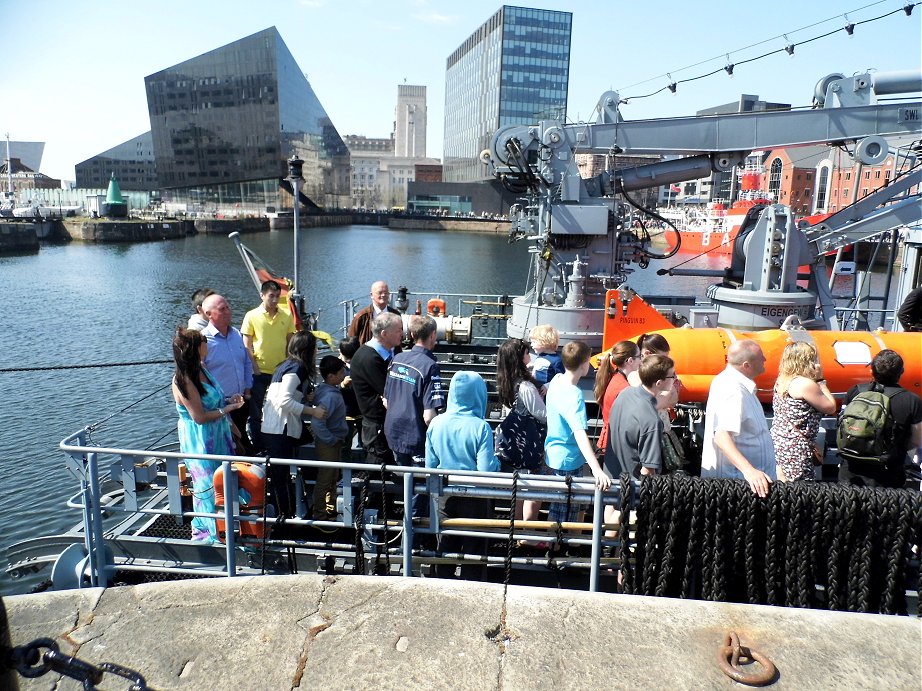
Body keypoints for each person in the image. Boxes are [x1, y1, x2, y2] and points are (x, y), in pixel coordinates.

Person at [171, 327, 245, 542]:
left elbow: (214, 401)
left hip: (219, 433)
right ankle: (211, 532)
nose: (208, 345)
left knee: (226, 479)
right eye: (204, 341)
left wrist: (229, 401)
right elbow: (199, 417)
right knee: (207, 485)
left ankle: (229, 525)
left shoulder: (203, 370)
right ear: (195, 348)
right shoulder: (183, 380)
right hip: (201, 439)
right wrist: (229, 411)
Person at [425, 371, 499, 579]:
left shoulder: (436, 423)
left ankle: (442, 584)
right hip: (474, 497)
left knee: (445, 545)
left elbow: (430, 465)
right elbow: (485, 470)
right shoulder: (481, 427)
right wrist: (498, 463)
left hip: (443, 495)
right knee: (475, 550)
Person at [544, 341, 613, 525]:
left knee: (565, 505)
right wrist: (597, 469)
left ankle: (564, 545)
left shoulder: (557, 380)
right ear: (584, 364)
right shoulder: (573, 394)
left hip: (554, 454)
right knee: (564, 508)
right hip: (568, 460)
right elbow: (579, 433)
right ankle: (557, 548)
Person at [261, 330, 328, 518]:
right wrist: (312, 411)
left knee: (279, 475)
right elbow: (284, 401)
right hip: (280, 429)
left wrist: (305, 398)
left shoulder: (285, 365)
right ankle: (285, 515)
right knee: (280, 477)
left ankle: (285, 511)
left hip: (273, 426)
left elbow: (285, 395)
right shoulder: (297, 369)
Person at [701, 339, 776, 497]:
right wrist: (749, 471)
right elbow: (721, 436)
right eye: (760, 357)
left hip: (744, 484)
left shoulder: (730, 382)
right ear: (746, 365)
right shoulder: (734, 390)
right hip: (739, 487)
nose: (765, 360)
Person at [838, 349, 922, 488]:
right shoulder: (912, 400)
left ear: (871, 371)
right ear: (901, 372)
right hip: (888, 475)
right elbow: (916, 441)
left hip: (850, 471)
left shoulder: (855, 391)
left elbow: (842, 426)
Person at [495, 337, 548, 523]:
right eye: (526, 352)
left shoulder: (507, 383)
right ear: (519, 358)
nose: (529, 354)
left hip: (515, 443)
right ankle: (528, 532)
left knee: (517, 489)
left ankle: (516, 528)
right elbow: (542, 414)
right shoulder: (525, 386)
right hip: (530, 444)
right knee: (534, 490)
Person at [241, 280, 297, 453]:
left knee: (280, 407)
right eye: (270, 296)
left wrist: (289, 366)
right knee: (256, 411)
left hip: (280, 372)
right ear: (262, 295)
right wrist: (254, 368)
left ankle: (277, 440)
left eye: (276, 296)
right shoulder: (251, 316)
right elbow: (246, 346)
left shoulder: (286, 316)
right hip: (259, 371)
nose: (274, 300)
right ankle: (259, 444)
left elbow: (290, 344)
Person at [770, 342, 837, 482]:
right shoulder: (805, 384)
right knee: (800, 492)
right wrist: (820, 381)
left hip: (780, 444)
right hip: (797, 449)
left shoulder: (781, 380)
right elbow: (830, 407)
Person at [384, 315, 444, 466]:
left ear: (411, 334)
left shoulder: (397, 359)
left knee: (402, 481)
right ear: (433, 335)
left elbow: (386, 400)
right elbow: (429, 416)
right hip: (416, 437)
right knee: (420, 484)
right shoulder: (430, 366)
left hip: (393, 432)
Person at [201, 294, 254, 455]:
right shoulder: (203, 340)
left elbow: (246, 362)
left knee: (241, 440)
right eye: (222, 309)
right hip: (220, 405)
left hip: (241, 400)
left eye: (228, 307)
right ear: (209, 315)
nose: (228, 312)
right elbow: (201, 373)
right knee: (228, 446)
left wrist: (247, 389)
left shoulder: (236, 334)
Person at [608, 354, 677, 478]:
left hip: (612, 478)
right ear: (659, 383)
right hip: (631, 488)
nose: (675, 379)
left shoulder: (625, 394)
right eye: (672, 376)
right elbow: (647, 471)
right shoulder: (652, 420)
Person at [350, 312, 404, 467]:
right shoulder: (370, 358)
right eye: (398, 330)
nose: (402, 333)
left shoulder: (383, 354)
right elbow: (389, 389)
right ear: (384, 334)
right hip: (376, 428)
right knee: (378, 476)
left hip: (383, 423)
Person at [311, 355, 349, 522]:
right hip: (330, 443)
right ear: (331, 376)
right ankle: (319, 515)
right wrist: (331, 439)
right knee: (326, 479)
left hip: (331, 441)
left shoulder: (324, 390)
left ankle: (330, 508)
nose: (344, 374)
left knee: (332, 477)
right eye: (341, 372)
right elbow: (317, 422)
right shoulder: (330, 397)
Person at [594, 340, 641, 454]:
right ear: (630, 361)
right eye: (640, 356)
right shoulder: (624, 388)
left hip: (609, 442)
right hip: (615, 446)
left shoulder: (614, 377)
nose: (641, 360)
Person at [338, 336, 362, 461]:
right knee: (345, 444)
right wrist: (342, 385)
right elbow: (330, 386)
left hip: (361, 411)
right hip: (345, 412)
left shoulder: (362, 364)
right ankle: (344, 471)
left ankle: (365, 469)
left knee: (365, 443)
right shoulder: (338, 366)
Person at [529, 324, 565, 390]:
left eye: (534, 342)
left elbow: (561, 378)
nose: (531, 345)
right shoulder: (541, 356)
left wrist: (547, 386)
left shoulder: (556, 360)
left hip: (547, 394)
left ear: (544, 342)